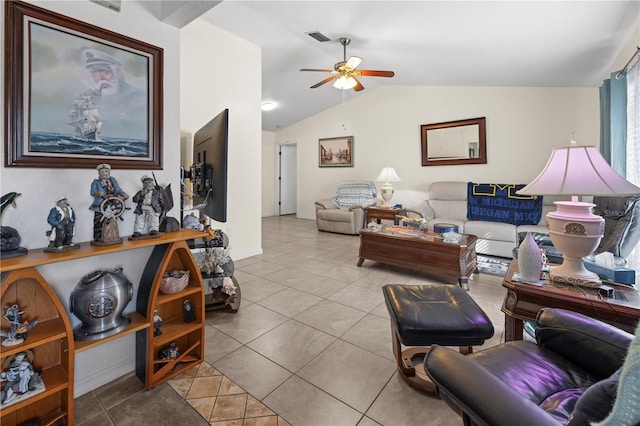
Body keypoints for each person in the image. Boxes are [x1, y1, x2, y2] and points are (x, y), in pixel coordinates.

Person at [72, 48, 147, 140]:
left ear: (118, 73)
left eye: (104, 71)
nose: (99, 78)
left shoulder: (138, 97)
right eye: (94, 73)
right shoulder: (86, 97)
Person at [90, 164, 129, 242]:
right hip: (100, 205)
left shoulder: (112, 180)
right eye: (102, 172)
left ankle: (111, 236)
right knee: (99, 221)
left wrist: (124, 194)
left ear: (109, 172)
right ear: (99, 173)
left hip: (112, 204)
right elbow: (92, 192)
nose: (104, 173)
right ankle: (98, 237)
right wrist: (97, 193)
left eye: (106, 171)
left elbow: (118, 190)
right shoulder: (96, 182)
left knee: (112, 221)